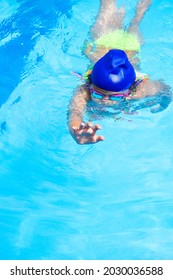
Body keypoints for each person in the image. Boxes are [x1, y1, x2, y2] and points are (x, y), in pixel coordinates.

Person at [68, 0, 172, 145]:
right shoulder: (84, 90)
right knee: (107, 4)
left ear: (129, 91)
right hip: (108, 42)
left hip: (123, 43)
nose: (105, 100)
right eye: (97, 94)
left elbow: (165, 90)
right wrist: (77, 132)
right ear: (91, 83)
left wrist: (164, 103)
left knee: (136, 21)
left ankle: (141, 9)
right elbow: (75, 113)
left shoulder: (141, 90)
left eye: (115, 98)